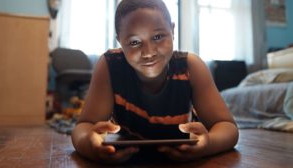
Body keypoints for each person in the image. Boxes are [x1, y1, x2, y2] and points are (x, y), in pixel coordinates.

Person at [72, 0, 238, 164]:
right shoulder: (110, 66)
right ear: (120, 41)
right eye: (134, 42)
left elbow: (227, 127)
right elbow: (83, 128)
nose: (148, 53)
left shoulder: (190, 67)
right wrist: (91, 146)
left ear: (172, 31)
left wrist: (207, 145)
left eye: (158, 37)